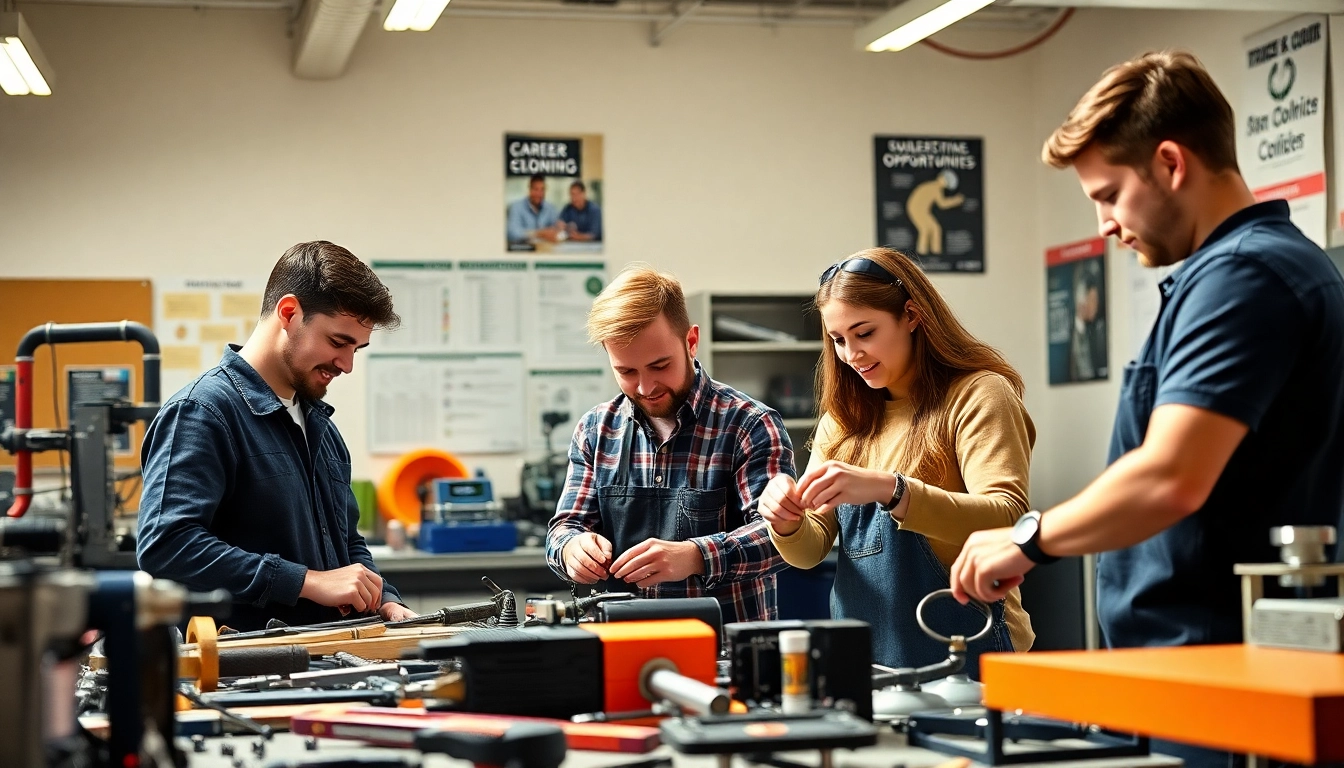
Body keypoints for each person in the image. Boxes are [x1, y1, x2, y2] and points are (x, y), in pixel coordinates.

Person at [951, 51, 1344, 767]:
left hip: (1224, 686)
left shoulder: (1243, 276)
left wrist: (1031, 537)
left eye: (1109, 194)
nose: (1103, 223)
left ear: (1170, 163)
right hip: (1197, 677)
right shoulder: (1243, 272)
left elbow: (1170, 476)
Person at [758, 247, 1035, 677]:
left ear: (911, 315)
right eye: (838, 339)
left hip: (972, 656)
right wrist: (785, 520)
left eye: (865, 333)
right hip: (866, 664)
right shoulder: (842, 421)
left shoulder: (978, 395)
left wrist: (894, 489)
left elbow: (1009, 518)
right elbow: (810, 550)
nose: (851, 355)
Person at [137, 241, 417, 630]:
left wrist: (383, 598)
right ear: (289, 313)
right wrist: (305, 581)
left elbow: (346, 543)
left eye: (358, 348)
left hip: (323, 660)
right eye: (338, 342)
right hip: (238, 673)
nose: (347, 365)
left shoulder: (321, 427)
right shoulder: (203, 413)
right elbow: (167, 544)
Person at [546, 266, 794, 623]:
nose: (646, 388)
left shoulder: (749, 424)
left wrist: (696, 556)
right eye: (627, 372)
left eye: (660, 366)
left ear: (691, 342)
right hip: (621, 646)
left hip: (723, 655)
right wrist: (572, 550)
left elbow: (781, 540)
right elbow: (563, 529)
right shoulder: (594, 431)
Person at [507, 174, 561, 246]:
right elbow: (512, 233)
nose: (539, 194)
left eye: (542, 190)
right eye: (536, 189)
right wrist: (538, 233)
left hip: (545, 251)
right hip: (524, 251)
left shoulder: (550, 208)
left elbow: (558, 230)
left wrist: (560, 230)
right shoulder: (517, 207)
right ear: (529, 190)